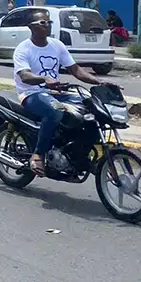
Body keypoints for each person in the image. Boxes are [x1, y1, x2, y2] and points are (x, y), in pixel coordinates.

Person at [12, 9, 102, 176]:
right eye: (42, 23)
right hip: (31, 93)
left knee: (93, 109)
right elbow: (24, 75)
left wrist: (99, 82)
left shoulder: (57, 45)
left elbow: (76, 70)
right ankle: (38, 154)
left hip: (57, 92)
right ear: (31, 27)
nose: (47, 25)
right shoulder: (23, 48)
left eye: (49, 22)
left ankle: (80, 155)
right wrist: (45, 79)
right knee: (56, 111)